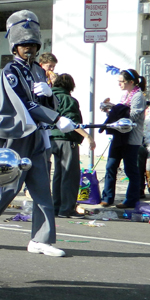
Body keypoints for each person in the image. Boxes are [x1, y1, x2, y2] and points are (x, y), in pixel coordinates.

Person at [0, 10, 75, 257]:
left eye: (33, 44)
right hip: (16, 134)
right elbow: (24, 104)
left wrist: (50, 96)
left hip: (36, 135)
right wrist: (57, 118)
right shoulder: (10, 72)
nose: (30, 49)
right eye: (24, 44)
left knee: (41, 187)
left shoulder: (38, 71)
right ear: (15, 47)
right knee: (10, 186)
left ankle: (41, 239)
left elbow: (43, 103)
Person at [50, 73, 95, 218]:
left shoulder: (49, 97)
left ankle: (56, 207)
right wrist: (87, 136)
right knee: (69, 176)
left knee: (58, 175)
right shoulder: (68, 99)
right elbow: (71, 122)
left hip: (51, 138)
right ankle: (67, 209)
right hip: (67, 139)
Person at [98, 69, 145, 207]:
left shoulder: (138, 96)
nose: (119, 84)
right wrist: (111, 110)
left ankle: (131, 200)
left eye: (122, 81)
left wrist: (116, 111)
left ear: (131, 82)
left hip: (131, 137)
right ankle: (107, 197)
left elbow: (133, 115)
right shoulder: (125, 95)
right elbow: (121, 110)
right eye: (118, 81)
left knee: (130, 169)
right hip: (119, 136)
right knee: (111, 166)